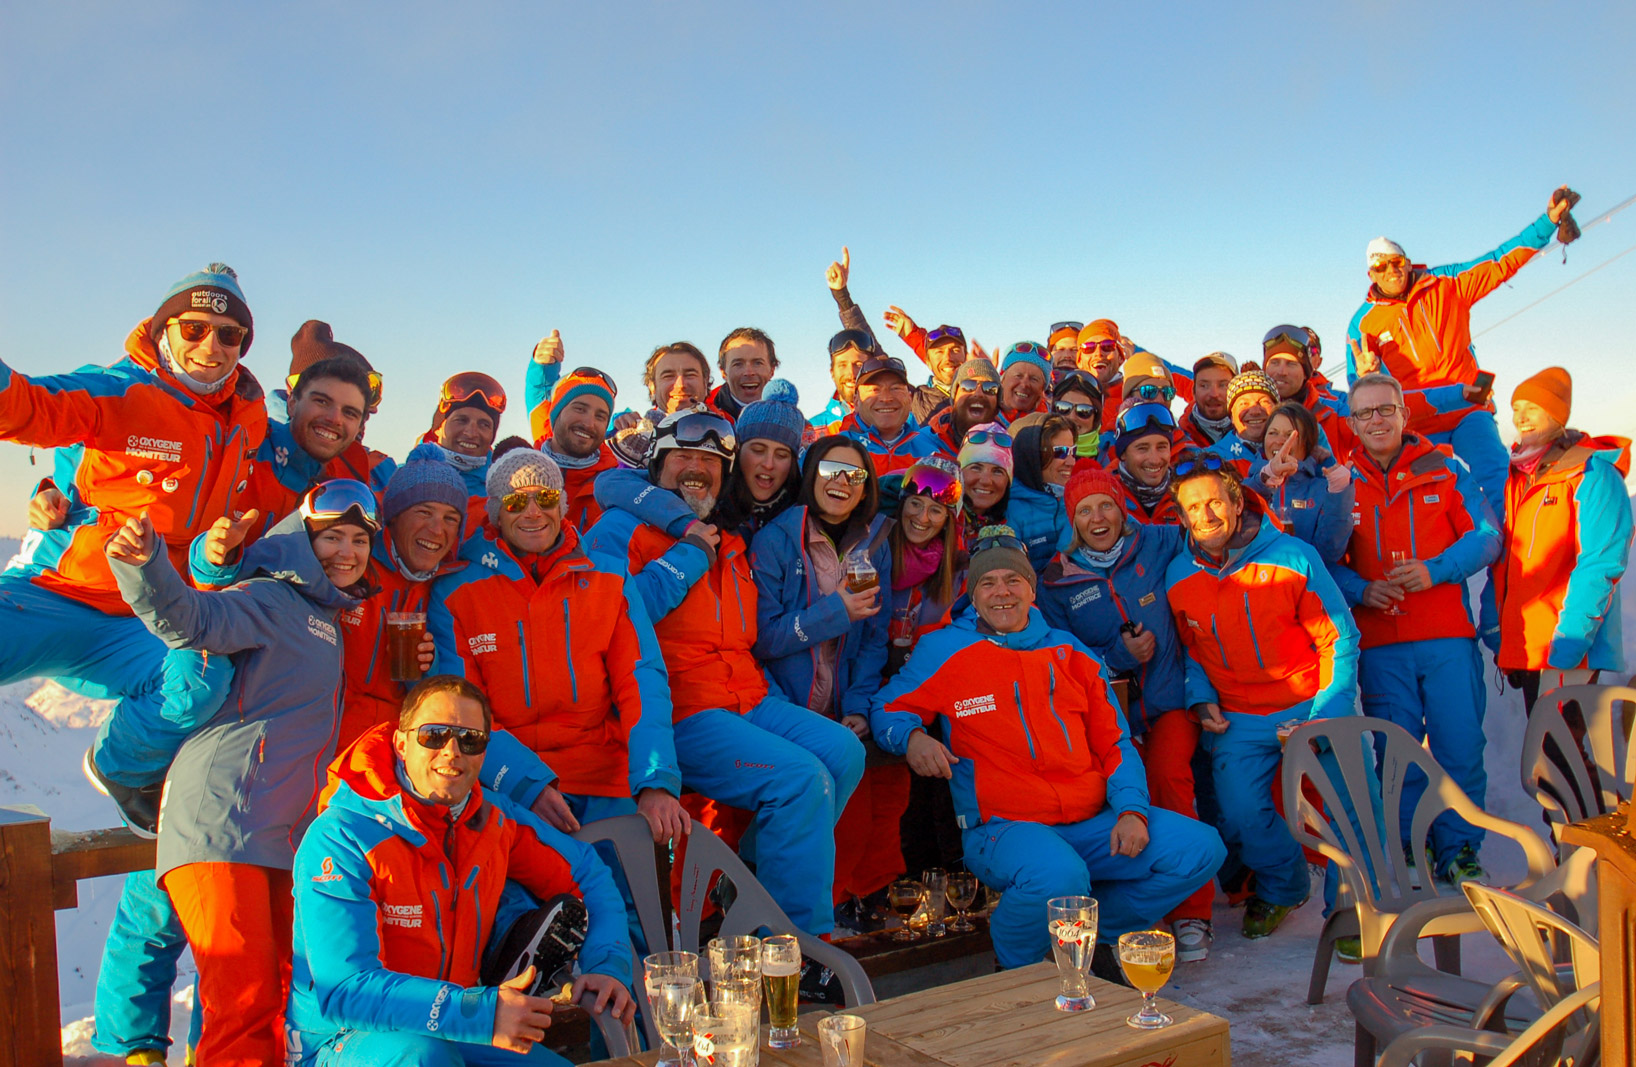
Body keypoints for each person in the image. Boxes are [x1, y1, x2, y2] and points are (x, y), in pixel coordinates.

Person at [101, 480, 380, 1065]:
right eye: (332, 537)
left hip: (276, 837)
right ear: (302, 542)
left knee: (277, 1002)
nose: (348, 551)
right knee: (244, 1005)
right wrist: (146, 565)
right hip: (223, 824)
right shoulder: (271, 598)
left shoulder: (324, 616)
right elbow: (191, 620)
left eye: (359, 539)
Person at [871, 525, 1225, 973]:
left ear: (1031, 589)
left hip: (1089, 820)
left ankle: (1099, 931)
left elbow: (1114, 742)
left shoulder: (1070, 652)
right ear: (973, 594)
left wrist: (1132, 810)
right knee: (1058, 876)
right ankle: (1018, 965)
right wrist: (911, 737)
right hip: (1004, 828)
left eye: (1013, 581)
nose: (1002, 593)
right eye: (988, 583)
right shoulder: (944, 649)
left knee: (1200, 848)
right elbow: (887, 707)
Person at [585, 407, 866, 936]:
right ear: (658, 464)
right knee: (801, 780)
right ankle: (796, 945)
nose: (698, 468)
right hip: (681, 711)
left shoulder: (728, 540)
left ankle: (749, 880)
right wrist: (686, 557)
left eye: (711, 461)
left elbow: (749, 636)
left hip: (748, 698)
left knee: (843, 753)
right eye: (684, 457)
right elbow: (609, 619)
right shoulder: (620, 530)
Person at [286, 676, 636, 1067]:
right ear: (401, 744)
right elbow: (345, 990)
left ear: (484, 753)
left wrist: (607, 966)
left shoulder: (494, 821)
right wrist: (479, 1012)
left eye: (470, 739)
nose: (451, 752)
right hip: (346, 1038)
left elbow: (588, 873)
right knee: (423, 1057)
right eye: (433, 735)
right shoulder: (341, 835)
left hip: (459, 1028)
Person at [0, 264, 266, 716]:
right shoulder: (119, 390)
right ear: (165, 331)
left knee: (201, 686)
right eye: (195, 328)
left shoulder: (248, 420)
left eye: (229, 335)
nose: (211, 346)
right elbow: (29, 408)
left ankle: (122, 773)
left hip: (145, 619)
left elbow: (307, 442)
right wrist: (49, 488)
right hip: (54, 593)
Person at [428, 447, 688, 842]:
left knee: (629, 894)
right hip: (504, 781)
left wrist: (655, 781)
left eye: (546, 498)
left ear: (562, 506)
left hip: (601, 776)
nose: (533, 512)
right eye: (516, 501)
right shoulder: (456, 591)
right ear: (497, 513)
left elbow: (641, 681)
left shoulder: (609, 578)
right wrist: (525, 785)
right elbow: (460, 708)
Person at [1165, 458, 1360, 940]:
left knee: (1351, 803)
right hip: (1239, 716)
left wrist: (1327, 713)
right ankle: (1282, 886)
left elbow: (1340, 638)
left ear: (1236, 502)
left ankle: (1355, 910)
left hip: (1311, 702)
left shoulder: (1293, 557)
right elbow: (1192, 650)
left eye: (1214, 501)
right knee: (1239, 814)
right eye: (1193, 507)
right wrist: (1201, 696)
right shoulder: (1178, 576)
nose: (1205, 514)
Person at [1328, 373, 1500, 884]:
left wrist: (1436, 569)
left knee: (1459, 746)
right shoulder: (1339, 482)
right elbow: (1322, 561)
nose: (1376, 420)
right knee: (1394, 750)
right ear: (1352, 423)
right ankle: (1402, 846)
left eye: (1386, 410)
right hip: (1381, 645)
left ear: (1404, 414)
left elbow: (1487, 536)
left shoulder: (1445, 468)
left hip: (1445, 636)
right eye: (1364, 413)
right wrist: (1361, 590)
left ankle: (1460, 848)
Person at [1038, 466, 1215, 961]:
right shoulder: (1055, 579)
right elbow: (1059, 651)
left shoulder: (1159, 543)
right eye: (1085, 510)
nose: (1098, 517)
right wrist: (1117, 653)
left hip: (1167, 701)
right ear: (1071, 520)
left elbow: (1212, 529)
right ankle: (1142, 912)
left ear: (1122, 508)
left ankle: (1193, 914)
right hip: (1108, 716)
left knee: (1169, 781)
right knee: (1116, 804)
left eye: (1106, 505)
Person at [749, 437, 902, 929]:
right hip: (783, 704)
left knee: (863, 800)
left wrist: (859, 704)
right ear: (811, 473)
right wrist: (834, 611)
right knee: (801, 808)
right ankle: (769, 904)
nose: (842, 482)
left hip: (841, 706)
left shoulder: (876, 540)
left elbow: (875, 635)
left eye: (855, 475)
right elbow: (764, 638)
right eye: (832, 469)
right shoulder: (775, 540)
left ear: (865, 489)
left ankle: (816, 915)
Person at [1345, 187, 1578, 512]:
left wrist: (1548, 222)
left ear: (1408, 262)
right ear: (1371, 275)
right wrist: (1368, 377)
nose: (1391, 271)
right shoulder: (1363, 325)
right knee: (1432, 503)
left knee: (1498, 479)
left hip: (1470, 408)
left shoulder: (1447, 284)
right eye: (1381, 268)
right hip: (1419, 422)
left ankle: (1513, 557)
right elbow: (1358, 389)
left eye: (1396, 262)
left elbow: (1499, 262)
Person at [1481, 367, 1631, 711]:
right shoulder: (1520, 476)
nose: (1521, 417)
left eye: (1532, 407)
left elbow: (1601, 563)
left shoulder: (1593, 473)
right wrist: (1499, 631)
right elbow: (1510, 564)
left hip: (1567, 647)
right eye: (1516, 408)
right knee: (1546, 756)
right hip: (1528, 646)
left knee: (1561, 755)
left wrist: (1568, 644)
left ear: (1557, 414)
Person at [881, 460, 966, 880]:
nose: (922, 518)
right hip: (884, 690)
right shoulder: (878, 553)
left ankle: (948, 868)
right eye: (914, 504)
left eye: (936, 511)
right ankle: (903, 873)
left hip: (936, 694)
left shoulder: (958, 570)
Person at [523, 335, 621, 529]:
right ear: (555, 413)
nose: (588, 423)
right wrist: (543, 367)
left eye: (601, 416)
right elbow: (539, 393)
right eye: (579, 408)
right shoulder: (520, 473)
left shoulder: (616, 485)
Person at [1248, 402, 1354, 564]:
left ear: (1307, 443)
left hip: (1302, 580)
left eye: (1291, 434)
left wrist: (1339, 495)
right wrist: (1265, 479)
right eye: (1273, 433)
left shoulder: (1322, 489)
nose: (1281, 441)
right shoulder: (1249, 482)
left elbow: (1329, 553)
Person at [834, 354, 945, 474]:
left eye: (895, 388)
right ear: (856, 402)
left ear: (910, 398)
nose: (886, 398)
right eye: (874, 389)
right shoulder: (835, 451)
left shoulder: (932, 455)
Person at [1261, 326, 1355, 459]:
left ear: (1306, 373)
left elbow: (1375, 434)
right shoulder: (1254, 416)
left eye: (1291, 364)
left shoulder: (1335, 411)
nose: (1281, 372)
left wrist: (1370, 382)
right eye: (1275, 363)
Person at [1006, 414, 1076, 573]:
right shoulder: (1010, 511)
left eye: (1073, 451)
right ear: (1030, 455)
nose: (1071, 462)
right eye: (1061, 452)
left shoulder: (1075, 500)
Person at [427, 371, 507, 500]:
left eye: (484, 425)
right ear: (438, 428)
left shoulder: (502, 495)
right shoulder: (400, 481)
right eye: (461, 420)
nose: (471, 433)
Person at [1111, 402, 1181, 526]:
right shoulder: (1106, 497)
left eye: (1161, 447)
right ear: (1123, 454)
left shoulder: (1187, 495)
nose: (1154, 460)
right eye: (1142, 448)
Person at [925, 358, 1001, 455]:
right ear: (954, 396)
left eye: (990, 388)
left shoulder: (1008, 448)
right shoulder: (923, 443)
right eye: (968, 386)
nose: (978, 393)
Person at [1209, 369, 1280, 467]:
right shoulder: (1212, 459)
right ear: (1232, 416)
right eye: (1244, 403)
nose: (1255, 411)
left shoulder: (1295, 451)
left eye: (1264, 402)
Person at [809, 329, 876, 432]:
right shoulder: (813, 430)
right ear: (832, 373)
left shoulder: (890, 420)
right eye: (842, 365)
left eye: (858, 365)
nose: (851, 373)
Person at [957, 422, 1012, 542]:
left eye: (997, 471)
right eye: (976, 468)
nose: (986, 481)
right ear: (959, 473)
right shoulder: (940, 520)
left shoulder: (1014, 520)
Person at [710, 327, 778, 418]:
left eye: (758, 363)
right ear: (723, 371)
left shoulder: (793, 422)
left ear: (772, 370)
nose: (749, 372)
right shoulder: (702, 419)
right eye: (738, 364)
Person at [1179, 353, 1237, 447]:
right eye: (1204, 386)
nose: (1214, 394)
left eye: (1223, 385)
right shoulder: (1178, 442)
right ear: (1194, 391)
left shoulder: (1255, 433)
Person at [1050, 370, 1105, 461]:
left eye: (1083, 411)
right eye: (1064, 408)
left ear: (1096, 417)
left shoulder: (1110, 456)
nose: (1072, 417)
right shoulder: (1039, 452)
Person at [998, 342, 1052, 421]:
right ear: (1002, 379)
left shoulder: (1051, 426)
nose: (1024, 385)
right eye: (1018, 376)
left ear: (1043, 388)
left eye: (1034, 379)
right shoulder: (983, 417)